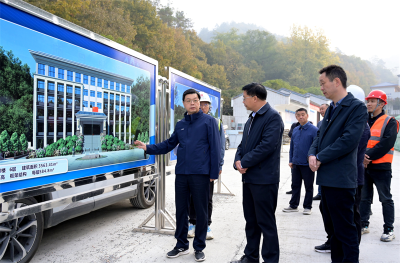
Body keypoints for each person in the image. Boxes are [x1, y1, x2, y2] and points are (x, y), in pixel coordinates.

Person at [134, 88, 220, 262]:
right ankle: (181, 244)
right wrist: (147, 148)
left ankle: (199, 247)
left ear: (199, 102)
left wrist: (213, 173)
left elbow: (215, 149)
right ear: (184, 103)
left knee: (201, 212)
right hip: (182, 174)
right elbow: (169, 144)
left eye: (195, 100)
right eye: (189, 100)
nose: (192, 103)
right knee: (181, 210)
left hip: (201, 174)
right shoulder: (181, 124)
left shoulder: (209, 122)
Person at [308, 65, 368, 263]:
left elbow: (348, 140)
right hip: (326, 179)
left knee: (345, 230)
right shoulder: (332, 107)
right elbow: (319, 135)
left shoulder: (356, 108)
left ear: (337, 81)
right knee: (333, 230)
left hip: (341, 180)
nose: (321, 88)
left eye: (323, 83)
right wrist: (311, 154)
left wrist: (320, 157)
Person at [231, 83, 284, 263]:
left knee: (266, 223)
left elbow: (267, 146)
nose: (243, 101)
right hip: (250, 178)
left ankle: (270, 260)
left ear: (255, 98)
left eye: (244, 98)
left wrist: (244, 162)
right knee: (251, 221)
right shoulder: (251, 118)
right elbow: (242, 145)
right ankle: (251, 256)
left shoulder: (272, 118)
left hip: (264, 179)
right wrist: (237, 161)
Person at [360, 90, 399, 242]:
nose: (368, 104)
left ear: (382, 104)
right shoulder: (364, 120)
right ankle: (363, 224)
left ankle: (389, 229)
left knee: (385, 198)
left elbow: (387, 143)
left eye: (372, 101)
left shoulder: (390, 121)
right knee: (364, 198)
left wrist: (367, 156)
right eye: (367, 101)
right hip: (365, 166)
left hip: (381, 167)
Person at [188, 92, 225, 240]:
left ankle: (207, 225)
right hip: (191, 168)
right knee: (191, 197)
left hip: (208, 167)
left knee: (207, 197)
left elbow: (220, 146)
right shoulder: (187, 121)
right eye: (200, 103)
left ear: (209, 107)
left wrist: (218, 165)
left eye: (205, 104)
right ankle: (192, 223)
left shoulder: (216, 122)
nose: (203, 106)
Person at [283, 108, 318, 215]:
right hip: (296, 163)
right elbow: (292, 147)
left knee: (308, 186)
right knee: (295, 185)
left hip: (308, 164)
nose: (301, 117)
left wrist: (315, 160)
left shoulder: (314, 130)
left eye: (303, 115)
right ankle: (293, 205)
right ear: (296, 117)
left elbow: (316, 146)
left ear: (307, 116)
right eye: (298, 115)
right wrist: (291, 160)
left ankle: (307, 207)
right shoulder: (296, 130)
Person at [312, 103, 329, 200]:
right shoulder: (320, 123)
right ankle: (320, 192)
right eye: (320, 109)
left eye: (323, 109)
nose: (321, 111)